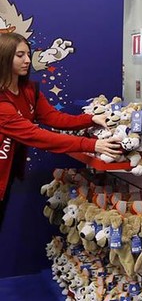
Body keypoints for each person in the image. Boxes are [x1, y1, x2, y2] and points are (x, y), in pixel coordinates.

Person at [0, 32, 121, 227]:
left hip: (6, 174)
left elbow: (54, 118)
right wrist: (91, 144)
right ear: (4, 58)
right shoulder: (2, 103)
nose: (28, 60)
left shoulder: (28, 90)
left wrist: (91, 119)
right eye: (20, 55)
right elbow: (37, 136)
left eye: (28, 54)